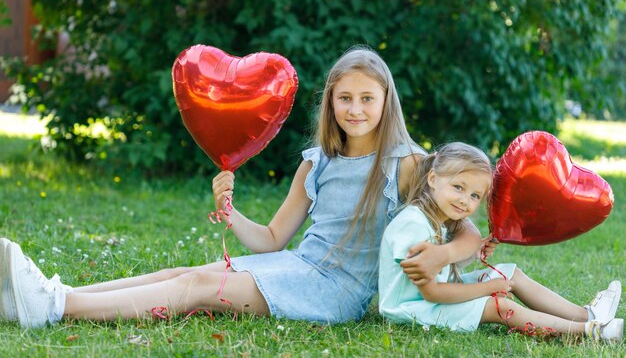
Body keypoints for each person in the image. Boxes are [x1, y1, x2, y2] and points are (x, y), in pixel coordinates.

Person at [0, 46, 481, 328]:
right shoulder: (316, 162)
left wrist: (441, 255)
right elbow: (273, 240)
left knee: (195, 287)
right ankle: (56, 291)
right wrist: (232, 214)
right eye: (344, 98)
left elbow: (469, 233)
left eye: (367, 99)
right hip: (294, 264)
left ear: (386, 102)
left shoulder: (408, 163)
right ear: (330, 102)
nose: (355, 109)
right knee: (182, 270)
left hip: (335, 294)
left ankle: (52, 308)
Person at [378, 142, 623, 341]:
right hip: (413, 310)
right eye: (458, 187)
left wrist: (474, 253)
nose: (465, 200)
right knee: (499, 306)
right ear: (432, 179)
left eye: (474, 195)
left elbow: (442, 272)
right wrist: (487, 289)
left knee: (510, 273)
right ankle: (591, 331)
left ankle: (586, 314)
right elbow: (433, 292)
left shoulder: (439, 218)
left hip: (429, 301)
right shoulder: (413, 224)